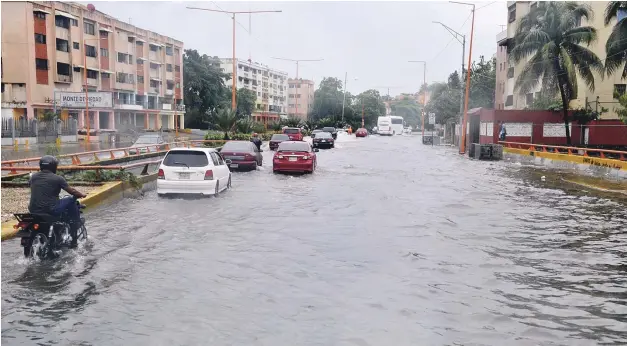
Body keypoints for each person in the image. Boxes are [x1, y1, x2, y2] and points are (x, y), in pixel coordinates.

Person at [28, 155, 87, 248]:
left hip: (33, 210)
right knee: (70, 200)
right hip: (51, 209)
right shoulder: (58, 178)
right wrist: (81, 195)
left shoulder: (33, 177)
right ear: (54, 166)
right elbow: (72, 191)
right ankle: (74, 231)